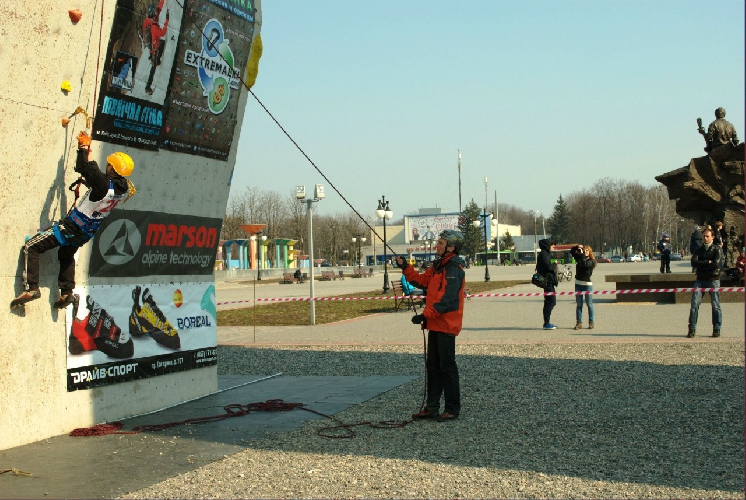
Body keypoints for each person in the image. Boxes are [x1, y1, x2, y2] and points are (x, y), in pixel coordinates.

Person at [12, 132, 136, 309]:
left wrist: (83, 148)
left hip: (71, 227)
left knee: (31, 246)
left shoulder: (101, 182)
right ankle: (66, 293)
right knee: (66, 254)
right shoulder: (121, 189)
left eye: (109, 164)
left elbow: (83, 167)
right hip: (86, 233)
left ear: (112, 168)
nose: (106, 165)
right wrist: (89, 160)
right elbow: (98, 187)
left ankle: (31, 288)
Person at [394, 229, 466, 422]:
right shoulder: (437, 266)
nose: (437, 246)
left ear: (451, 247)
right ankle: (432, 407)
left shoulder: (453, 269)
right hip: (434, 324)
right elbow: (421, 280)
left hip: (446, 324)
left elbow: (449, 299)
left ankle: (452, 408)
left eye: (441, 243)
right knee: (433, 366)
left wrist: (426, 314)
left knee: (447, 367)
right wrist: (405, 267)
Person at [687, 228, 723, 338]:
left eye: (707, 236)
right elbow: (693, 262)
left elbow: (716, 264)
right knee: (694, 304)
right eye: (704, 236)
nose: (705, 238)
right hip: (700, 279)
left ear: (713, 237)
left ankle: (717, 328)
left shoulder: (717, 249)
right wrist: (707, 262)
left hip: (713, 279)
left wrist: (701, 265)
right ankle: (692, 329)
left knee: (715, 305)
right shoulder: (698, 249)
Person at [142, 0, 169, 95]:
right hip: (154, 47)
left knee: (161, 44)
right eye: (155, 12)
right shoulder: (154, 25)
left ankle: (155, 59)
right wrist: (167, 20)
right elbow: (162, 33)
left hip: (152, 45)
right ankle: (147, 87)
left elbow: (159, 8)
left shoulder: (148, 20)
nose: (157, 12)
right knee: (152, 70)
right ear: (153, 14)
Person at [570, 244, 597, 330]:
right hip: (578, 284)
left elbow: (584, 265)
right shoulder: (580, 257)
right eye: (584, 250)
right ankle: (579, 322)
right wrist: (577, 247)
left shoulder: (592, 261)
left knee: (589, 304)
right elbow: (572, 251)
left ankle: (591, 322)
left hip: (587, 285)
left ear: (590, 252)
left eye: (587, 251)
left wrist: (581, 255)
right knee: (579, 305)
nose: (585, 252)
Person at [536, 238, 558, 330]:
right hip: (547, 282)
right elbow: (547, 267)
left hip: (549, 281)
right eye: (552, 246)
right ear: (548, 245)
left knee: (549, 302)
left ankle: (547, 322)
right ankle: (546, 322)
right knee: (551, 302)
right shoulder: (544, 254)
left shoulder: (545, 254)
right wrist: (554, 264)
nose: (553, 247)